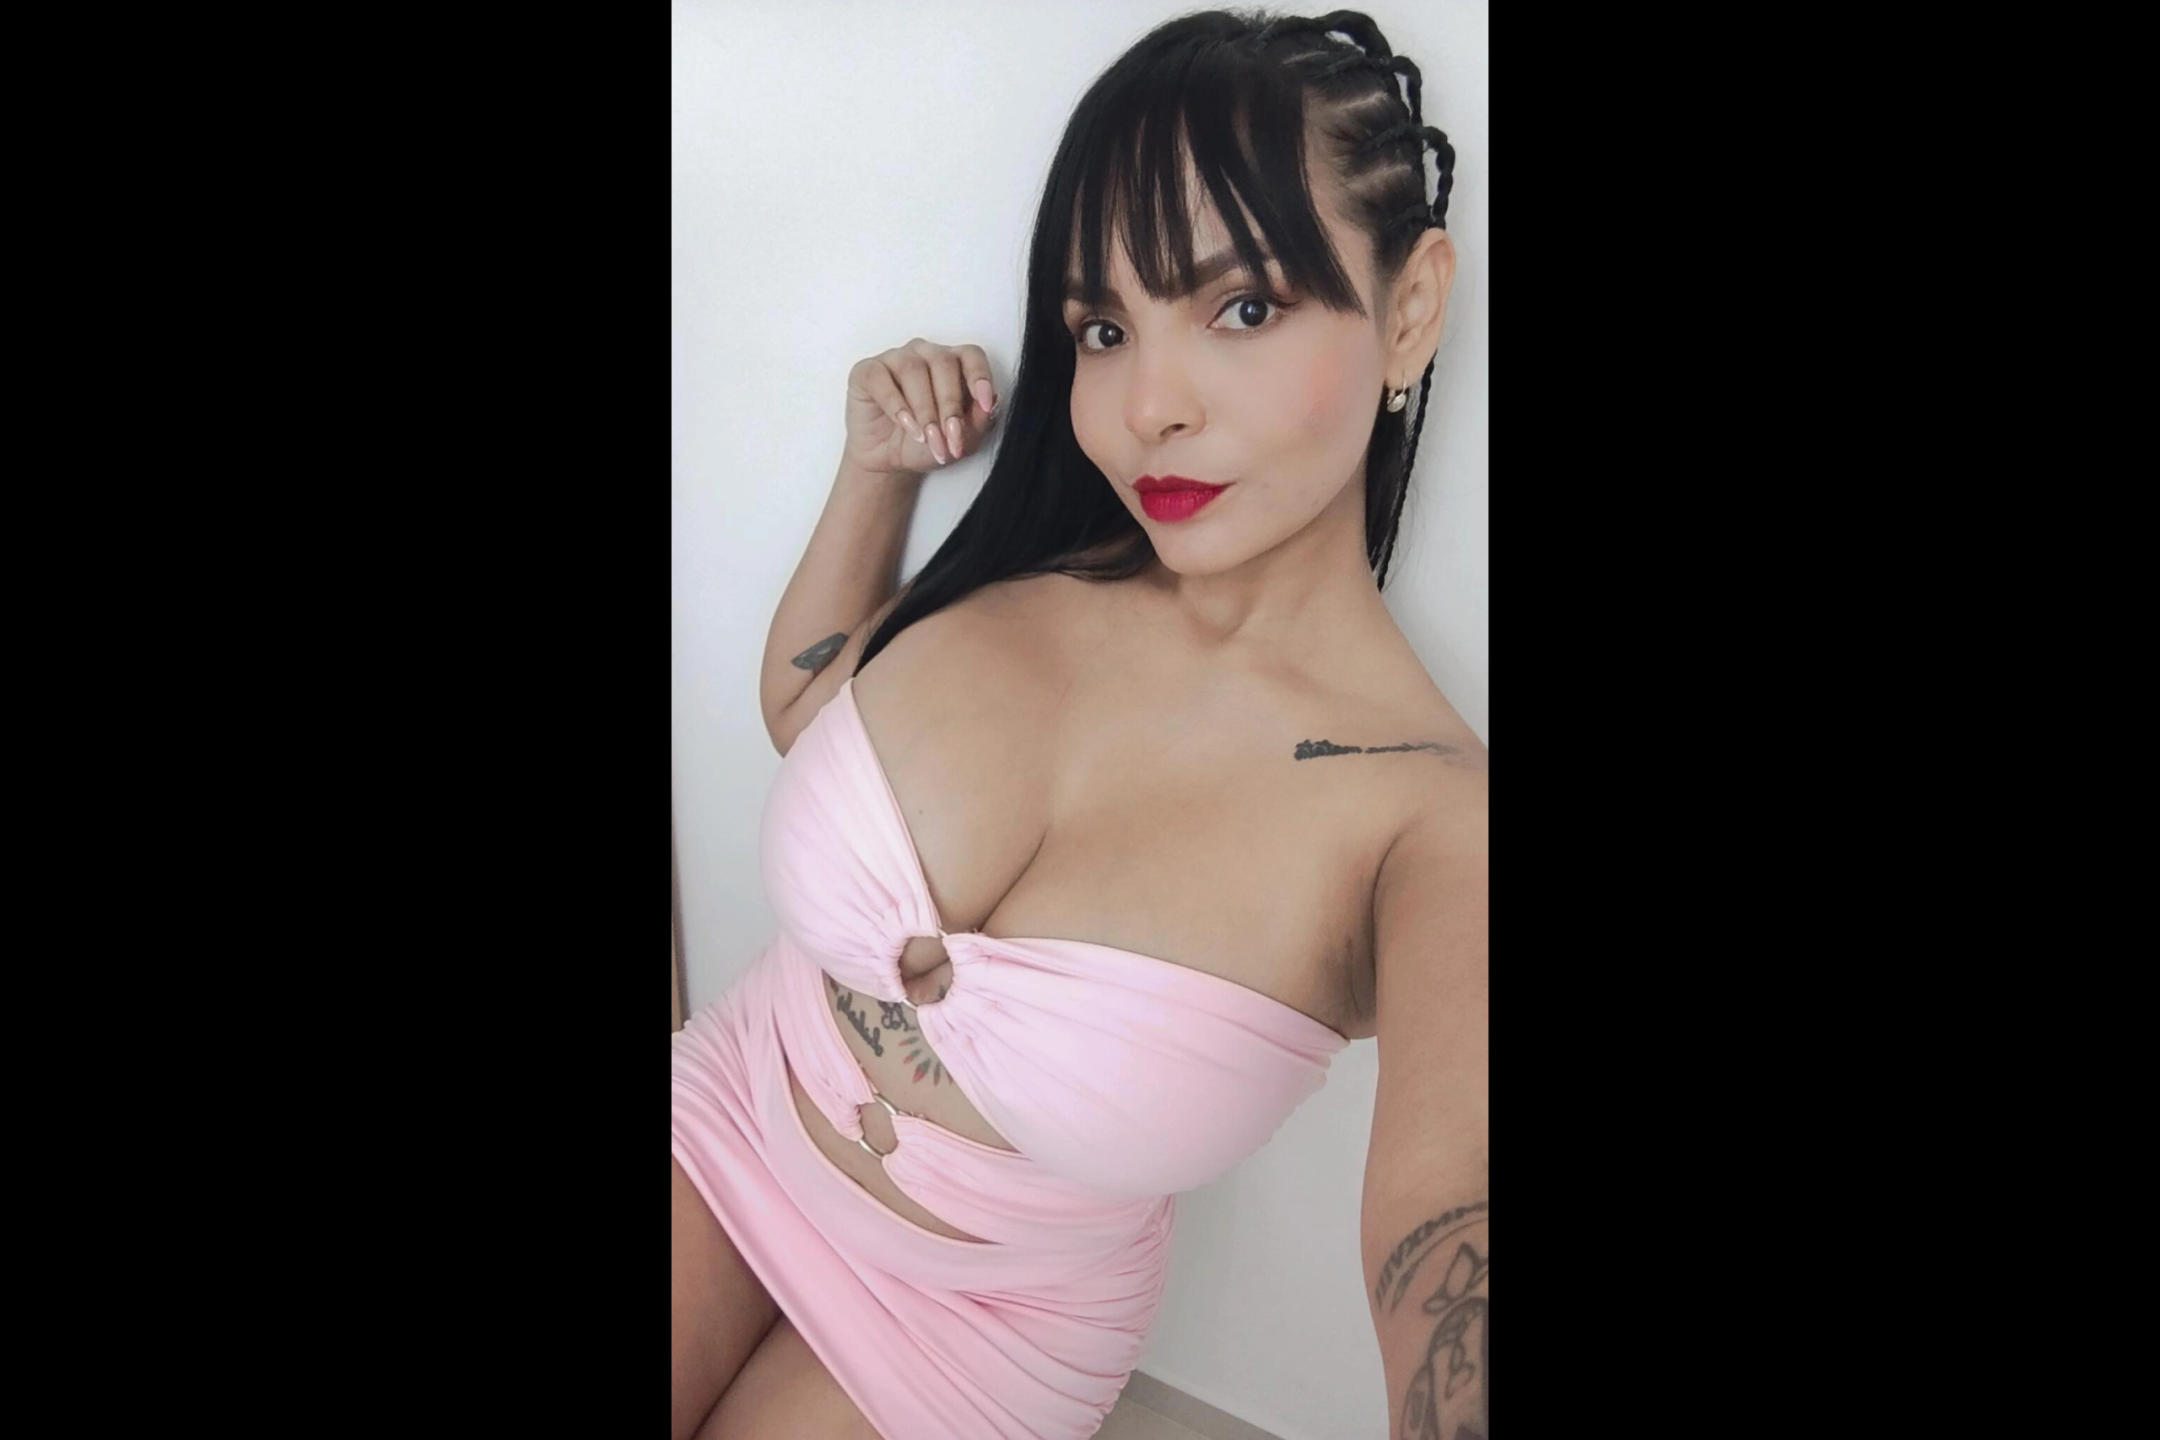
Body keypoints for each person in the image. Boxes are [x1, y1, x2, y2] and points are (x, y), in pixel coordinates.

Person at [672, 9, 1487, 1438]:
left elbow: (1447, 1215)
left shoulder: (1429, 822)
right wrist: (876, 471)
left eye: (1242, 307)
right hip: (729, 1115)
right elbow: (808, 704)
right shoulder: (1039, 555)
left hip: (978, 1329)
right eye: (1103, 329)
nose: (1144, 407)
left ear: (1410, 306)